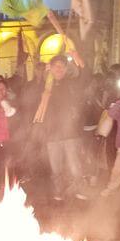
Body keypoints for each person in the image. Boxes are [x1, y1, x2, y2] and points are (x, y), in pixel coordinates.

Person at [39, 55, 89, 201]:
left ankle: (80, 188)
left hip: (70, 132)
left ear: (66, 69)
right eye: (55, 66)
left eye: (61, 66)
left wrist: (77, 57)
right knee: (56, 167)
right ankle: (59, 190)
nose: (59, 69)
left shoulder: (72, 83)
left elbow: (86, 76)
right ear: (51, 69)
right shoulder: (45, 86)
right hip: (51, 133)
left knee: (75, 165)